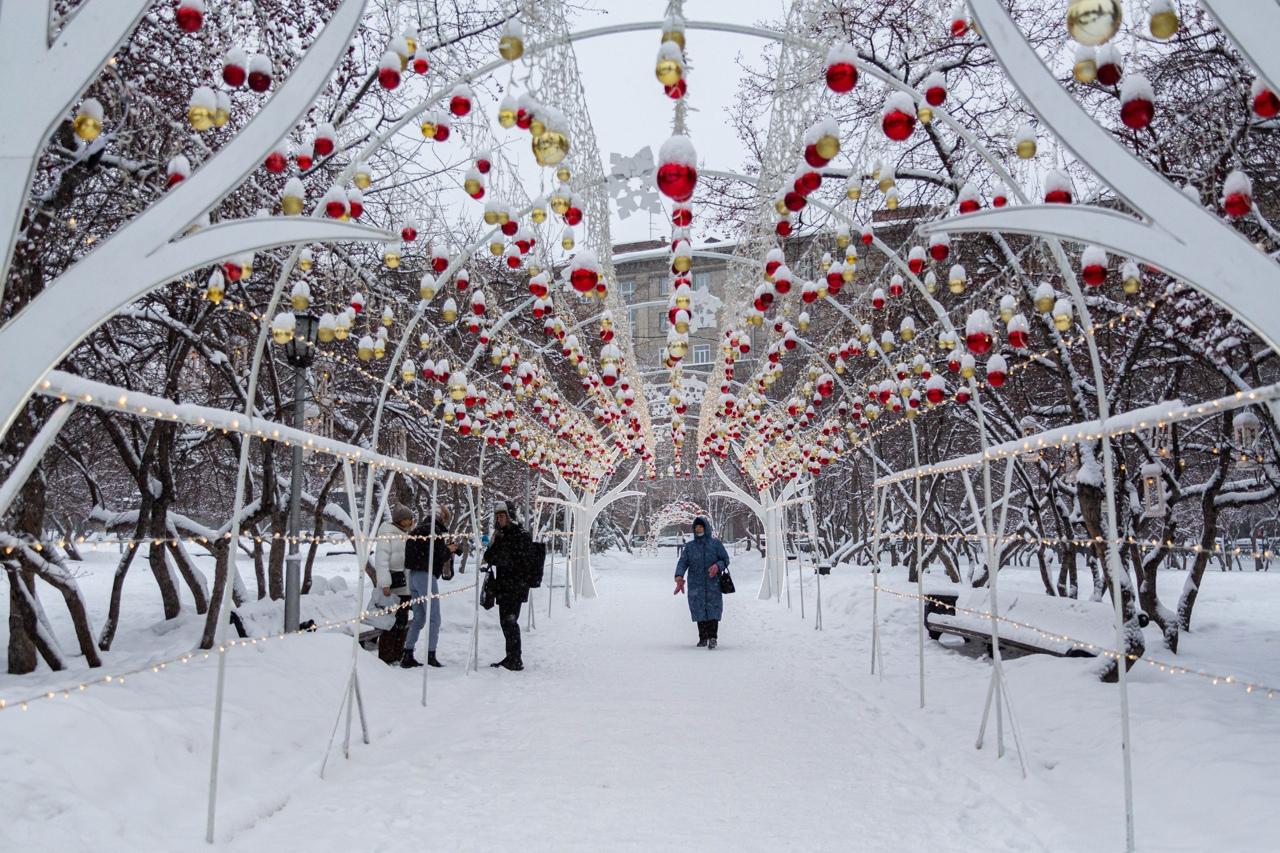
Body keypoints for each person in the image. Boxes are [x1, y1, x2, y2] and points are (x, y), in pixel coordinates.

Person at [400, 504, 457, 668]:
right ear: (442, 518)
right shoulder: (434, 532)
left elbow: (421, 553)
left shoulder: (417, 530)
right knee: (434, 618)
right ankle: (430, 654)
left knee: (419, 618)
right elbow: (437, 556)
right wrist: (449, 549)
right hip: (425, 576)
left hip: (412, 576)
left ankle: (407, 652)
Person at [482, 501, 533, 671]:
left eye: (502, 516)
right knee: (506, 622)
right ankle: (512, 656)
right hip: (505, 586)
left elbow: (511, 559)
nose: (499, 519)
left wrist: (500, 555)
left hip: (515, 585)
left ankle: (515, 658)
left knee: (510, 621)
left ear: (509, 516)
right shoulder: (501, 535)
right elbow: (489, 556)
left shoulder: (518, 535)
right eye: (497, 516)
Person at [674, 516, 731, 649]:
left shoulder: (715, 544)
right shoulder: (690, 547)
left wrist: (717, 566)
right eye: (696, 527)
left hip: (713, 583)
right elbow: (683, 562)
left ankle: (713, 637)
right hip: (696, 583)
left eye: (701, 526)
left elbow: (725, 559)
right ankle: (703, 637)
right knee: (698, 608)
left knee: (713, 609)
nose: (698, 529)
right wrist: (679, 576)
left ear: (706, 528)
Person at [373, 504, 414, 663]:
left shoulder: (406, 535)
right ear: (400, 520)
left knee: (402, 621)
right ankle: (386, 656)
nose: (410, 522)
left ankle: (398, 653)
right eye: (407, 519)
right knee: (389, 622)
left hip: (405, 585)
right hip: (392, 586)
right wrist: (385, 583)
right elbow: (381, 560)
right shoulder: (387, 534)